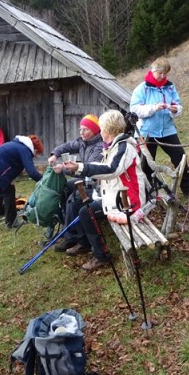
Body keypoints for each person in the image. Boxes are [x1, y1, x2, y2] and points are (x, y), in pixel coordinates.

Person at [62, 110, 147, 271]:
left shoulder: (124, 146)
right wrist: (80, 167)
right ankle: (90, 247)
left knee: (86, 213)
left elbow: (112, 169)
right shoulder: (113, 146)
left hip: (128, 199)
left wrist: (82, 168)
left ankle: (101, 255)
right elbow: (104, 167)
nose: (100, 132)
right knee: (83, 209)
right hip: (114, 195)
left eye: (101, 128)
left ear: (108, 129)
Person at [129, 57, 189, 195]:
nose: (163, 76)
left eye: (165, 74)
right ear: (153, 71)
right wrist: (154, 108)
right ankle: (148, 194)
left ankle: (188, 190)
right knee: (146, 165)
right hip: (146, 132)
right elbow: (135, 110)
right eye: (160, 73)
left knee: (180, 158)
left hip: (167, 130)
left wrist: (175, 109)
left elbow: (178, 105)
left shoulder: (170, 87)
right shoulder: (142, 89)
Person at [47, 114, 104, 252]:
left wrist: (63, 169)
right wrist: (55, 154)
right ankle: (67, 228)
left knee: (73, 200)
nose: (82, 133)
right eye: (80, 129)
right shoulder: (83, 142)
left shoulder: (99, 146)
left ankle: (78, 239)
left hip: (96, 183)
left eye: (86, 129)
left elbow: (87, 170)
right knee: (64, 188)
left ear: (95, 130)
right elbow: (66, 146)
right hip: (86, 179)